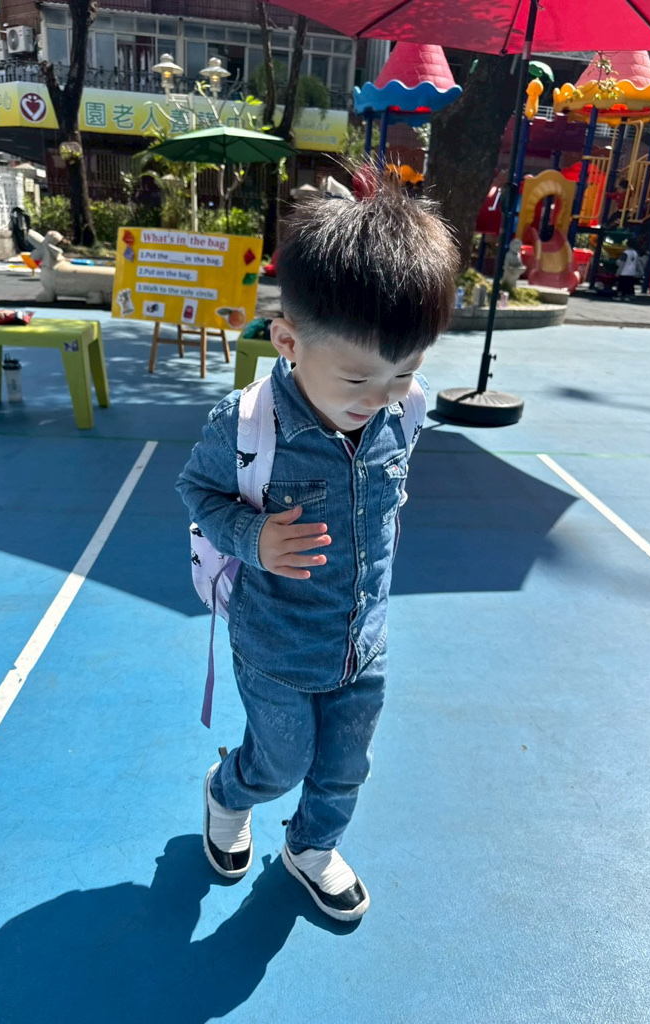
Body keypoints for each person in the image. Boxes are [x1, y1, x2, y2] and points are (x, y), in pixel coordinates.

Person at [176, 180, 458, 922]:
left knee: (345, 767)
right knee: (280, 763)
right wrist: (254, 538)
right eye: (358, 377)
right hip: (276, 646)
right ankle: (228, 792)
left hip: (362, 643)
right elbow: (197, 490)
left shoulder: (403, 411)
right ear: (289, 342)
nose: (382, 395)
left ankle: (311, 846)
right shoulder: (249, 425)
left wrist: (395, 393)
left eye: (404, 371)